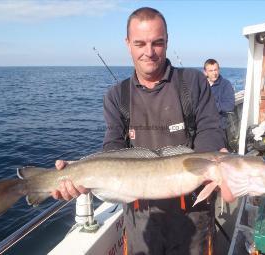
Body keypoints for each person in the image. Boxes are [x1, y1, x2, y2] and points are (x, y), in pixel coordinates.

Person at [51, 7, 234, 255]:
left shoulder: (193, 83)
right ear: (128, 44)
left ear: (167, 42)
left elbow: (210, 129)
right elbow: (113, 148)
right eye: (140, 43)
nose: (149, 52)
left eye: (157, 43)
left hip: (194, 216)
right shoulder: (117, 97)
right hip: (140, 222)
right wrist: (83, 177)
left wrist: (216, 157)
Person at [203, 59, 235, 142]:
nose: (214, 73)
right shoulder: (201, 84)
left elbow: (230, 105)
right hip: (202, 126)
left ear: (219, 70)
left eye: (216, 70)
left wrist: (212, 105)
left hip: (219, 127)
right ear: (205, 72)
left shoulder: (225, 84)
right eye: (210, 71)